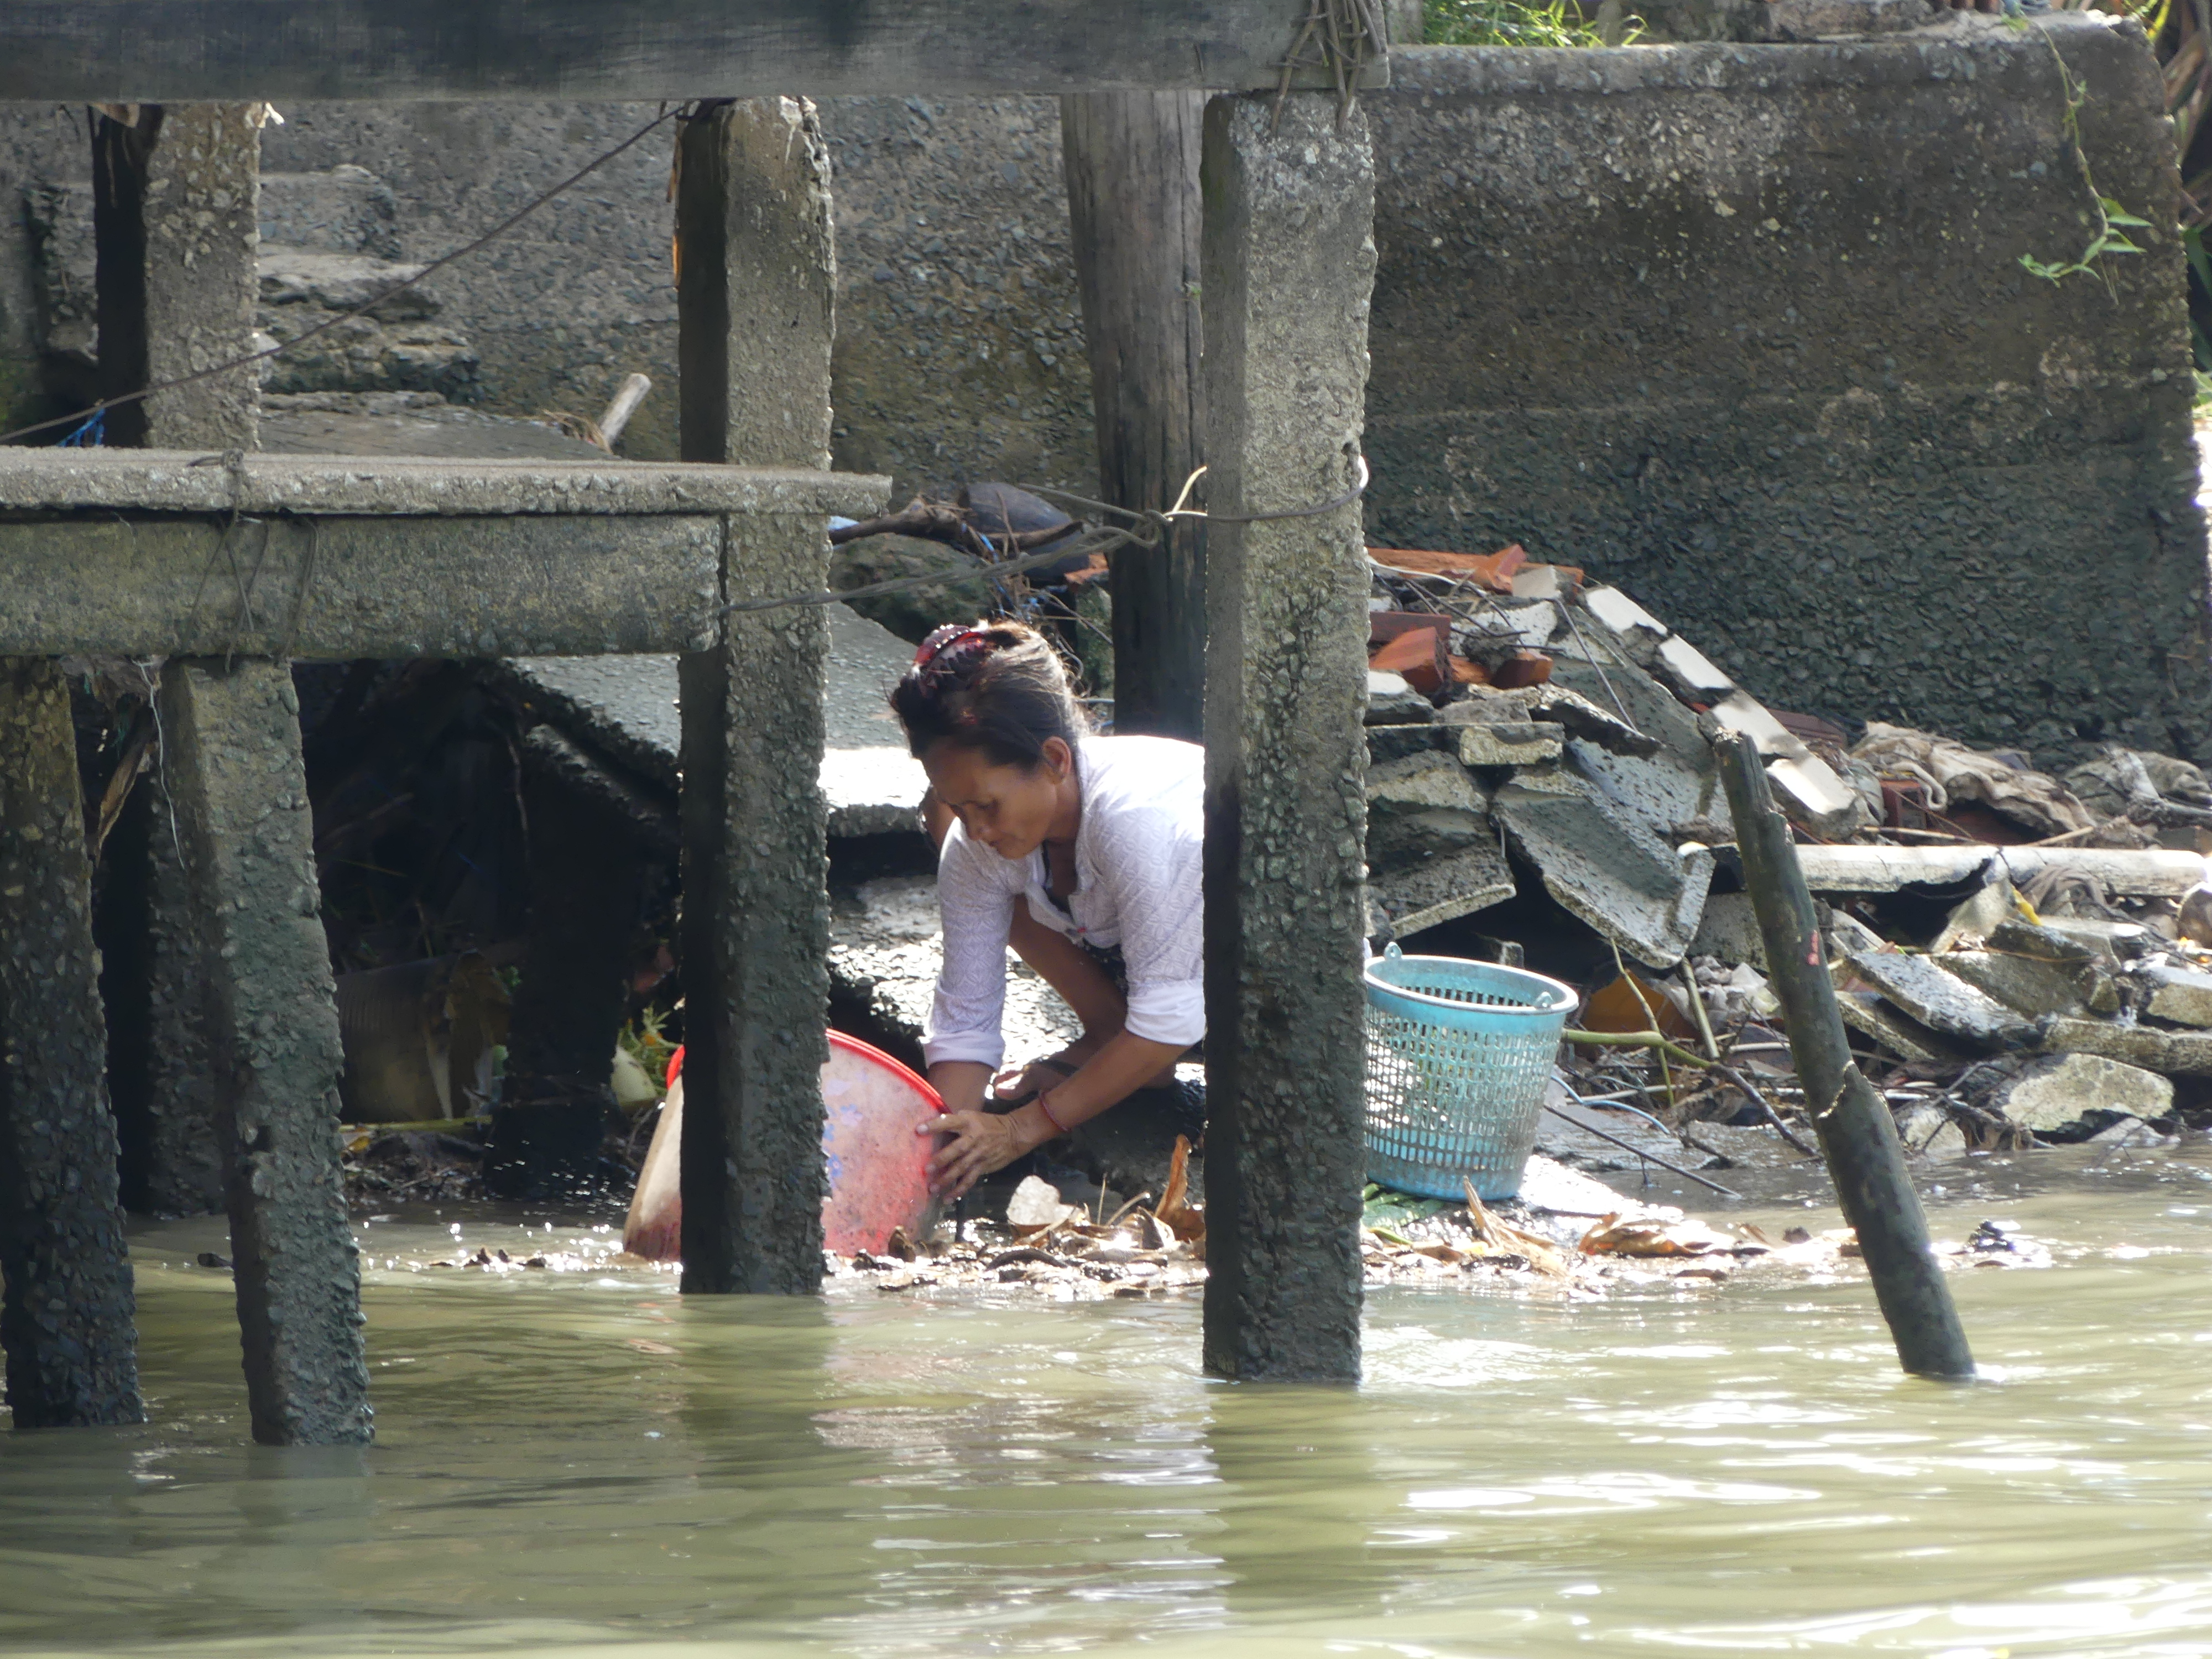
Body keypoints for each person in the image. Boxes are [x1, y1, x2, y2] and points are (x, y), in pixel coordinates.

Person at [890, 621, 1203, 1201]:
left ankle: (1126, 1054)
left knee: (1159, 1030)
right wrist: (935, 1160)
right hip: (1151, 990)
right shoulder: (976, 842)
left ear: (1055, 760)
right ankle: (1114, 1040)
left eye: (987, 805)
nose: (976, 830)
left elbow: (1169, 1023)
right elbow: (965, 1023)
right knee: (979, 872)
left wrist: (1020, 1129)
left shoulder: (1136, 821)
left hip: (1246, 1000)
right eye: (959, 808)